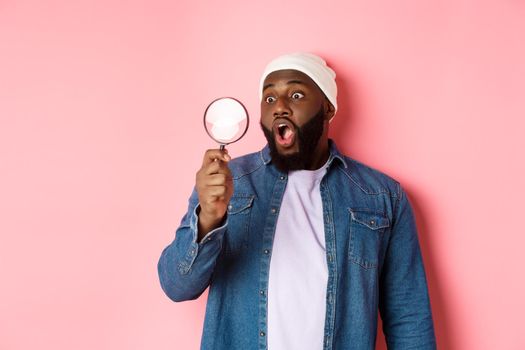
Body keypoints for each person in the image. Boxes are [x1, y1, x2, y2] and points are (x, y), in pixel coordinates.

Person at [157, 53, 437, 350]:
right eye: (269, 99)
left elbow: (409, 316)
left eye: (296, 94)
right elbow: (177, 285)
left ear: (327, 108)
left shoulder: (382, 196)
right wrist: (208, 218)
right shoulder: (227, 182)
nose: (279, 106)